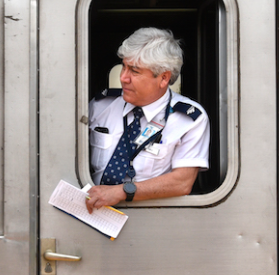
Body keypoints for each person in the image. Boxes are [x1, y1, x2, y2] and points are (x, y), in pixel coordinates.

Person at [85, 27, 209, 212]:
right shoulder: (100, 105)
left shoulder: (189, 119)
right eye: (123, 67)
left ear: (163, 78)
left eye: (134, 71)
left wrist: (122, 192)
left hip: (150, 217)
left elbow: (181, 183)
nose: (123, 78)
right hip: (91, 212)